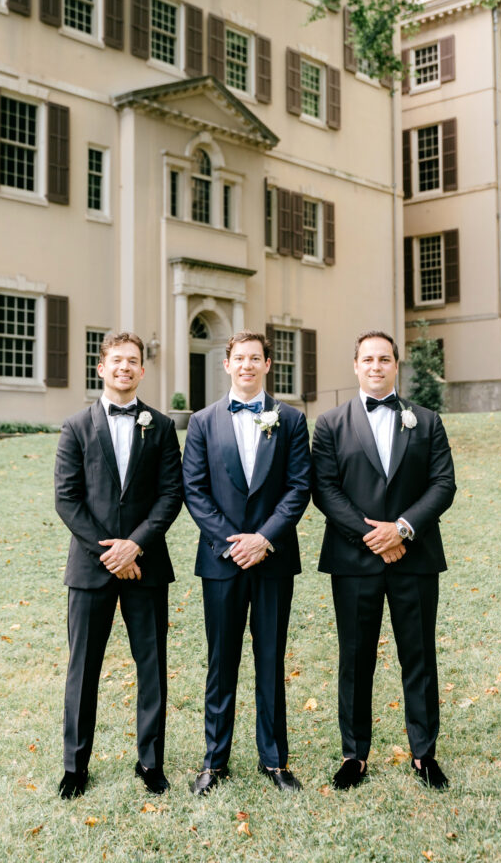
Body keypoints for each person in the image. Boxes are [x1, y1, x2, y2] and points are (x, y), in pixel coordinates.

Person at [312, 330, 456, 790]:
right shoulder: (330, 423)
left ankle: (423, 754)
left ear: (397, 365)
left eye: (385, 359)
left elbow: (442, 484)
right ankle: (354, 755)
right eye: (368, 359)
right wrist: (372, 534)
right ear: (355, 365)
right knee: (355, 659)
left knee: (419, 656)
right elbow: (325, 489)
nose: (376, 366)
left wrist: (403, 530)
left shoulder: (427, 421)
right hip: (354, 561)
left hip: (414, 559)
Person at [55, 331, 183, 799]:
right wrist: (111, 553)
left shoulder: (163, 428)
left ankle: (150, 762)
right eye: (117, 361)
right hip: (90, 571)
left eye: (133, 361)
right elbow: (67, 500)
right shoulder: (76, 427)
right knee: (82, 669)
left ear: (142, 371)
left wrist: (136, 546)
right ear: (102, 368)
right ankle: (75, 766)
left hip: (147, 569)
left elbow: (172, 495)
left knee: (151, 667)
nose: (125, 367)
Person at [182, 330, 311, 794]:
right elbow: (193, 490)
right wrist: (233, 543)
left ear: (268, 364)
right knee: (222, 661)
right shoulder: (202, 422)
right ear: (227, 364)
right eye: (240, 358)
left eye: (256, 358)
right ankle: (214, 760)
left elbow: (300, 487)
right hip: (221, 561)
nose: (247, 366)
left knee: (271, 658)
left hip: (273, 559)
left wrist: (264, 539)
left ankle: (274, 760)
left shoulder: (292, 420)